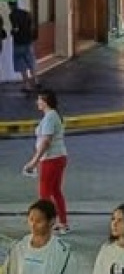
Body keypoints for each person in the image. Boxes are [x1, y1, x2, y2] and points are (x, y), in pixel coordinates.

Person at [23, 90, 69, 234]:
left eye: (39, 100)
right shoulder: (53, 116)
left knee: (44, 193)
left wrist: (34, 161)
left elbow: (46, 142)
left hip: (51, 159)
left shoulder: (50, 118)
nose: (37, 102)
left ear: (45, 101)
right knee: (55, 191)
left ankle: (46, 224)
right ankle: (62, 222)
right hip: (58, 157)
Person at [3, 199, 75, 274]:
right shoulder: (18, 246)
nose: (33, 225)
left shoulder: (63, 251)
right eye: (31, 219)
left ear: (51, 221)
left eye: (38, 221)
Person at [8, 0, 39, 92]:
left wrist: (12, 32)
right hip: (28, 41)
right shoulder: (27, 13)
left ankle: (27, 86)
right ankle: (36, 81)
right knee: (31, 61)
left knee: (21, 64)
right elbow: (31, 25)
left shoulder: (12, 15)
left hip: (19, 43)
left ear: (10, 6)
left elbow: (16, 28)